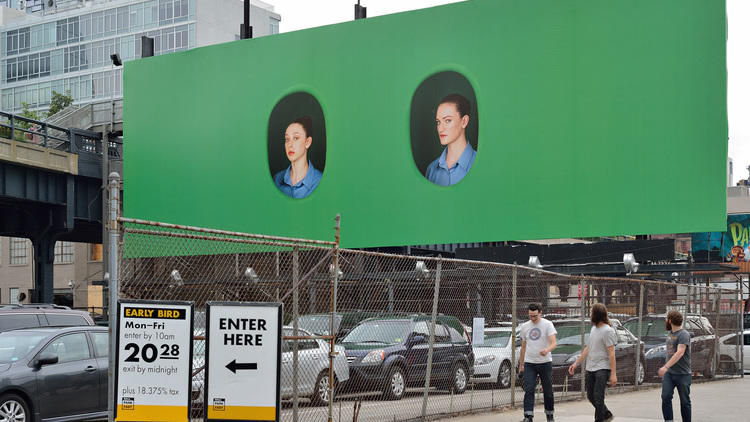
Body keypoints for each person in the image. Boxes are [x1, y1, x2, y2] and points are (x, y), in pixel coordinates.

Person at [568, 303, 617, 422]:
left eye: (591, 312)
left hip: (602, 367)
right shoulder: (594, 329)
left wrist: (613, 374)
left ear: (596, 314)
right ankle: (606, 414)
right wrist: (576, 363)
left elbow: (611, 353)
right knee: (590, 395)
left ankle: (599, 419)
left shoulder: (607, 331)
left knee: (598, 396)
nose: (590, 315)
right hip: (591, 367)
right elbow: (588, 348)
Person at [425, 93, 476, 186]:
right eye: (438, 122)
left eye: (447, 120)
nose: (440, 128)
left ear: (464, 121)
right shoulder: (431, 170)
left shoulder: (479, 164)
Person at [518, 303, 557, 422]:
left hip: (545, 362)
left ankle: (549, 414)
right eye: (530, 316)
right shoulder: (525, 326)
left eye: (535, 316)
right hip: (530, 362)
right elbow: (523, 347)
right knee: (529, 388)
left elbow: (554, 343)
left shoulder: (547, 325)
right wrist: (521, 364)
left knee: (548, 389)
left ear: (540, 313)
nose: (533, 318)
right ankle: (528, 415)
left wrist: (547, 350)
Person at [273, 116, 322, 198]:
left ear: (308, 142)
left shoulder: (319, 181)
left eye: (296, 138)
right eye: (287, 139)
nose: (290, 145)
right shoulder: (277, 179)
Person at [658, 310, 691, 422]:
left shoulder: (684, 334)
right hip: (669, 374)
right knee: (665, 397)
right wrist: (667, 369)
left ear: (670, 320)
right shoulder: (670, 334)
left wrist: (665, 366)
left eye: (667, 319)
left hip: (683, 374)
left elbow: (680, 352)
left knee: (685, 401)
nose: (666, 321)